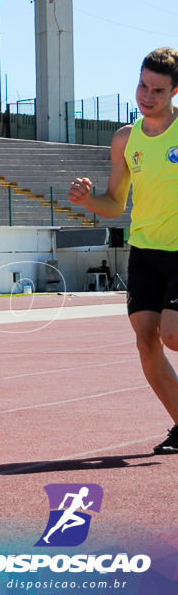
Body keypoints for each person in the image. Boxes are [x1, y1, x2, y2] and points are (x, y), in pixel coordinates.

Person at [68, 46, 178, 456]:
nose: (146, 95)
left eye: (157, 90)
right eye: (142, 85)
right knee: (146, 341)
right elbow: (115, 203)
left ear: (174, 92)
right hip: (145, 252)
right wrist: (88, 200)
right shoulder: (125, 140)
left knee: (173, 335)